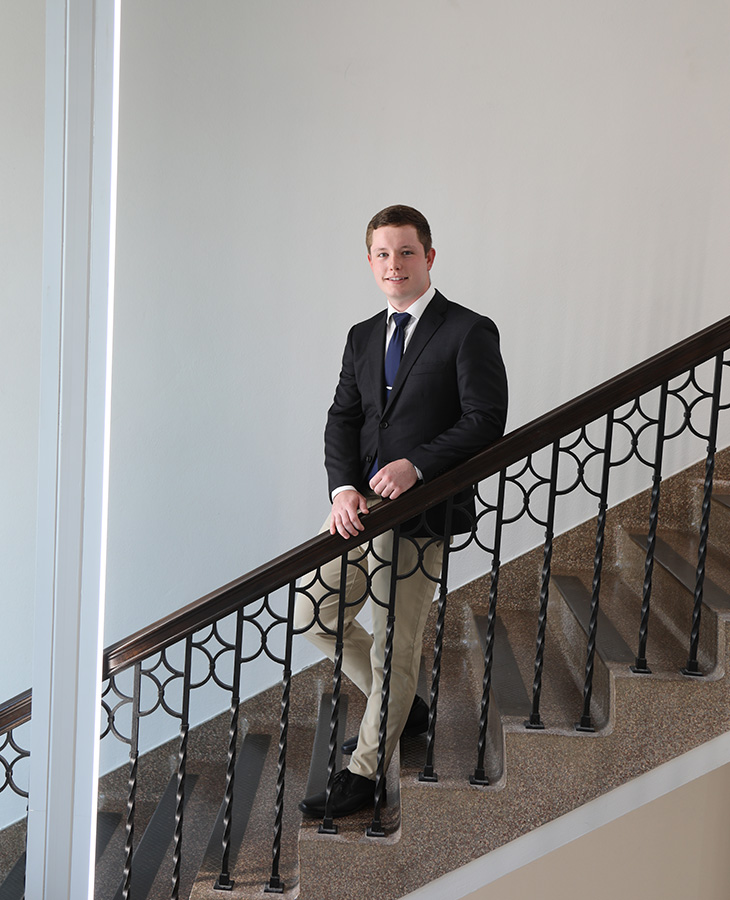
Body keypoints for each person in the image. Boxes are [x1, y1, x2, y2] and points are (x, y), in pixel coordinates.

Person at [296, 205, 508, 818]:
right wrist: (342, 489)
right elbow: (343, 417)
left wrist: (417, 465)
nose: (395, 264)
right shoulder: (363, 335)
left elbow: (484, 420)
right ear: (371, 262)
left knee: (396, 646)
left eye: (407, 252)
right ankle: (404, 707)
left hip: (419, 516)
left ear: (430, 257)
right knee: (315, 613)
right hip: (359, 511)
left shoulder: (469, 330)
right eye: (383, 254)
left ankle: (365, 773)